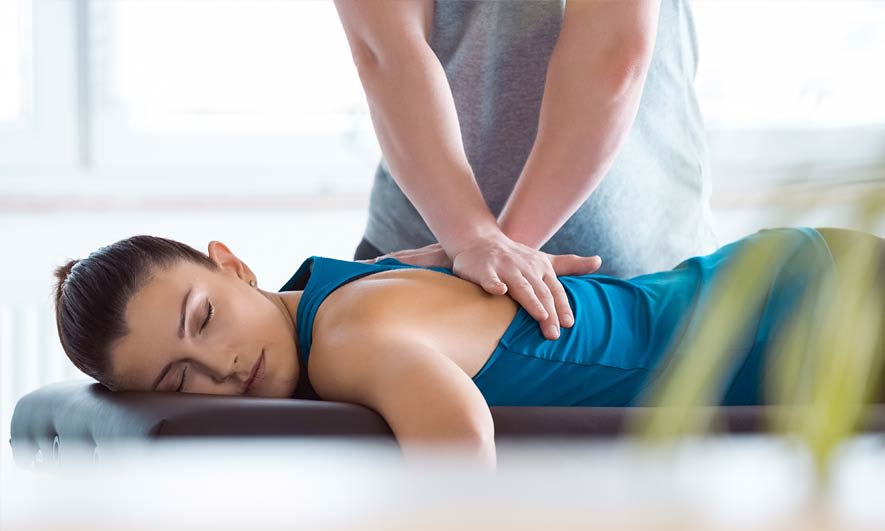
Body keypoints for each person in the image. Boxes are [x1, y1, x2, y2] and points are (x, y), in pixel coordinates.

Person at [53, 227, 884, 468]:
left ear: (232, 264)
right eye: (177, 377)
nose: (220, 368)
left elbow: (458, 448)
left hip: (793, 318)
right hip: (772, 282)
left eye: (204, 320)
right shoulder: (344, 283)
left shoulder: (346, 335)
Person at [336, 0, 718, 342]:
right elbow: (386, 53)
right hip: (428, 266)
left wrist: (490, 256)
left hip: (635, 275)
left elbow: (613, 54)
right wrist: (480, 248)